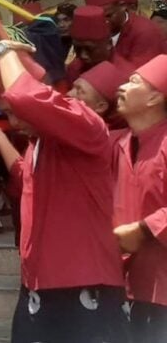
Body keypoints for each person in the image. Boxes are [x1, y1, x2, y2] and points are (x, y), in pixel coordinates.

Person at [0, 43, 127, 343]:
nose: (13, 123)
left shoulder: (89, 126)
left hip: (84, 280)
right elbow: (24, 178)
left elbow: (26, 96)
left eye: (14, 112)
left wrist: (6, 51)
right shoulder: (39, 143)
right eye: (5, 115)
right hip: (38, 280)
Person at [111, 54, 167, 342]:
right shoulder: (118, 142)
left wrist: (143, 230)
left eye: (132, 82)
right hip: (125, 280)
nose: (120, 87)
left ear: (154, 98)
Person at [83, 0, 165, 66]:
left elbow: (138, 74)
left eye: (108, 15)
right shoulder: (94, 32)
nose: (104, 22)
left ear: (122, 6)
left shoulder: (145, 30)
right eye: (97, 18)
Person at [66, 5, 134, 83]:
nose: (82, 55)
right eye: (77, 49)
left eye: (89, 49)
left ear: (108, 44)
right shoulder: (74, 69)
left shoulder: (126, 76)